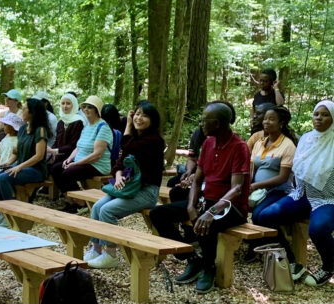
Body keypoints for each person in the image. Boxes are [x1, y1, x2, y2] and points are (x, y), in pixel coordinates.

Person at [149, 102, 250, 294]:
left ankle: (208, 267)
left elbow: (237, 188)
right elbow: (197, 179)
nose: (201, 123)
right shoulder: (208, 143)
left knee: (205, 223)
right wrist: (190, 206)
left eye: (205, 120)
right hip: (208, 201)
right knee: (158, 213)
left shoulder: (240, 147)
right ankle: (191, 258)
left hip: (232, 207)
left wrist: (210, 212)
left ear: (218, 123)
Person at [258, 101, 334, 286]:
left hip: (327, 198)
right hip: (300, 194)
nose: (319, 118)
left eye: (325, 115)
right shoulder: (306, 138)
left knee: (318, 229)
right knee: (265, 216)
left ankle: (329, 266)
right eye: (316, 114)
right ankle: (291, 262)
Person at [85, 101, 164, 269]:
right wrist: (119, 174)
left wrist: (127, 124)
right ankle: (97, 248)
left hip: (146, 191)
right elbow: (119, 162)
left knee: (107, 210)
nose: (138, 118)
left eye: (144, 115)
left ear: (153, 120)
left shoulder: (154, 141)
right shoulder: (136, 138)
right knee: (97, 207)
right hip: (128, 187)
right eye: (136, 114)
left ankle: (111, 254)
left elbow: (127, 145)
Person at [244, 106, 296, 262]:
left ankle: (286, 256)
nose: (266, 122)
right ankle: (257, 245)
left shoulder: (288, 145)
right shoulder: (260, 143)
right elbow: (252, 168)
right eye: (265, 118)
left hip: (278, 191)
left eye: (271, 119)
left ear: (281, 123)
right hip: (258, 190)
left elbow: (282, 178)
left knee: (260, 215)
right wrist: (247, 185)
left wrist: (255, 186)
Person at [0, 98, 50, 227]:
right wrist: (8, 163)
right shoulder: (23, 129)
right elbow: (16, 152)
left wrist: (18, 167)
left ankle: (11, 214)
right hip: (21, 166)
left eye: (24, 109)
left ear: (32, 112)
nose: (22, 111)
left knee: (3, 179)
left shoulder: (40, 130)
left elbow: (39, 156)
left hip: (36, 170)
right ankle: (3, 212)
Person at [52, 96, 113, 213]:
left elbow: (97, 155)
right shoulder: (87, 126)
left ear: (97, 110)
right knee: (55, 169)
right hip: (82, 162)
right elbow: (78, 147)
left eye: (90, 107)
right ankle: (70, 201)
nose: (86, 109)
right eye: (84, 106)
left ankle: (81, 203)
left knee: (67, 173)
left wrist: (75, 164)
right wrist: (69, 159)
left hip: (97, 165)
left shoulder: (103, 127)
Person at [47, 93, 84, 166]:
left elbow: (74, 145)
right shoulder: (61, 122)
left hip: (72, 156)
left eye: (68, 103)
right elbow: (57, 141)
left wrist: (55, 151)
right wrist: (51, 151)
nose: (65, 106)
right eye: (63, 103)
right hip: (59, 155)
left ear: (74, 105)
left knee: (55, 168)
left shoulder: (78, 121)